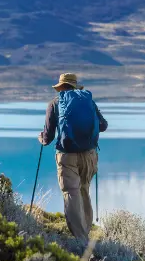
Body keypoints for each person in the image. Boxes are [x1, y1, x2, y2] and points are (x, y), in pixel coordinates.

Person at [38, 73, 108, 240]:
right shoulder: (88, 101)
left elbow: (47, 138)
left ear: (61, 87)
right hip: (89, 155)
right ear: (75, 86)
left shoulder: (55, 104)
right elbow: (103, 126)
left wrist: (41, 138)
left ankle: (80, 239)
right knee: (84, 189)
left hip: (67, 155)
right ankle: (86, 230)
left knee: (71, 192)